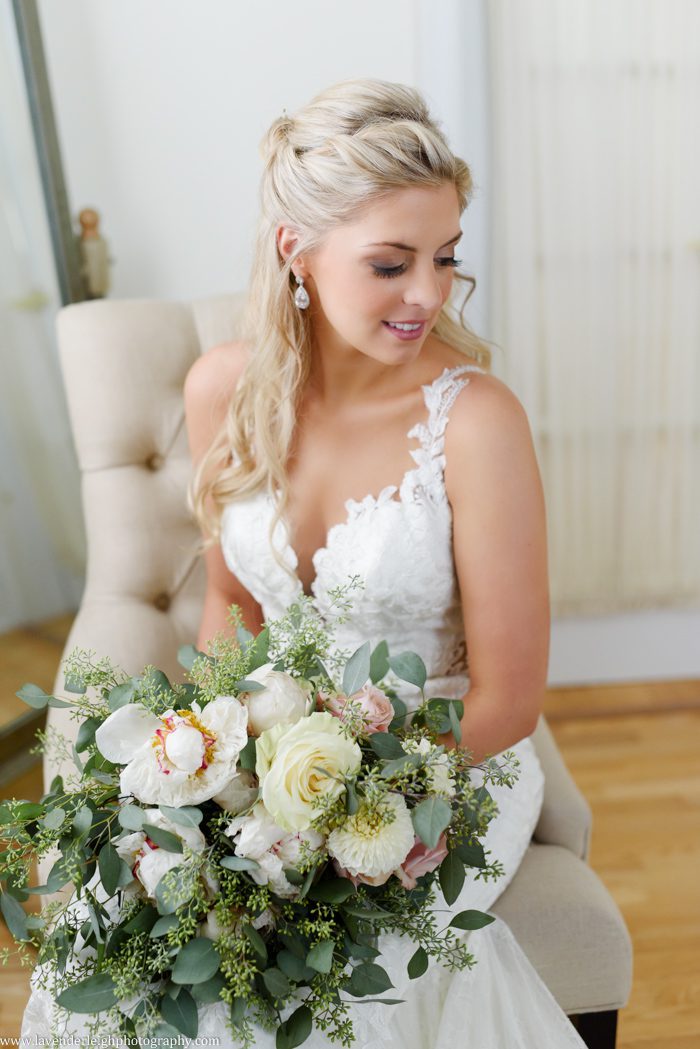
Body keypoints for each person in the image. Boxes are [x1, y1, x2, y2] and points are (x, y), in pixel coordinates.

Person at [21, 77, 586, 1047]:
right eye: (390, 262)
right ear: (298, 252)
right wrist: (209, 766)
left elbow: (508, 697)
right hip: (275, 751)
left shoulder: (476, 421)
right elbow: (231, 605)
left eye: (445, 258)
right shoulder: (221, 392)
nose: (427, 294)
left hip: (446, 764)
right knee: (130, 941)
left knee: (328, 995)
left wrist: (347, 807)